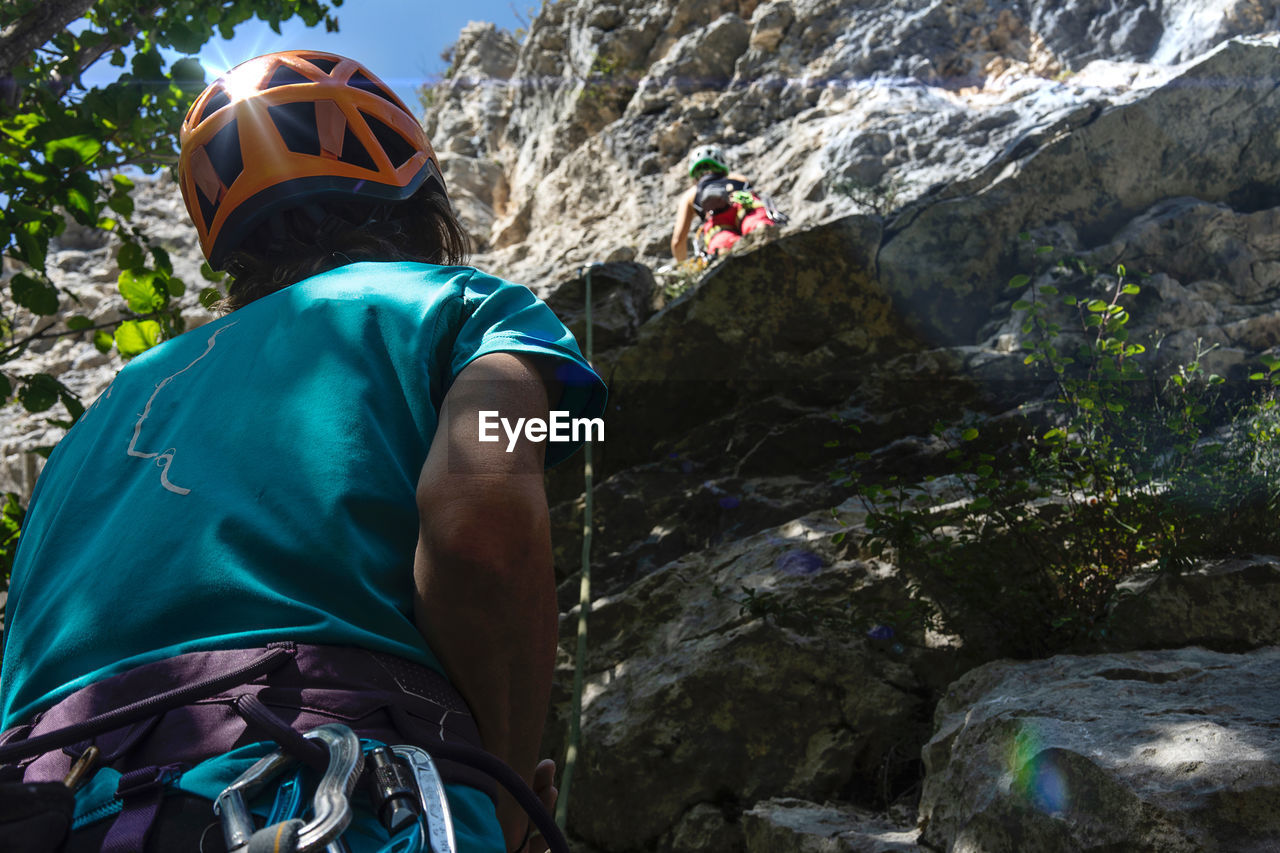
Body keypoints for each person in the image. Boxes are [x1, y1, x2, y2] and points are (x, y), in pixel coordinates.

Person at [0, 50, 604, 853]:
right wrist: (503, 787)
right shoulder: (466, 310)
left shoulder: (98, 422)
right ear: (424, 203)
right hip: (317, 788)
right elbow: (481, 528)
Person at [669, 144, 778, 263]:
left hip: (716, 222)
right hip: (743, 205)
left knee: (723, 247)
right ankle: (761, 231)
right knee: (758, 226)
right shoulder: (737, 178)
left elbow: (678, 240)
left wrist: (683, 267)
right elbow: (753, 196)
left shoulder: (689, 196)